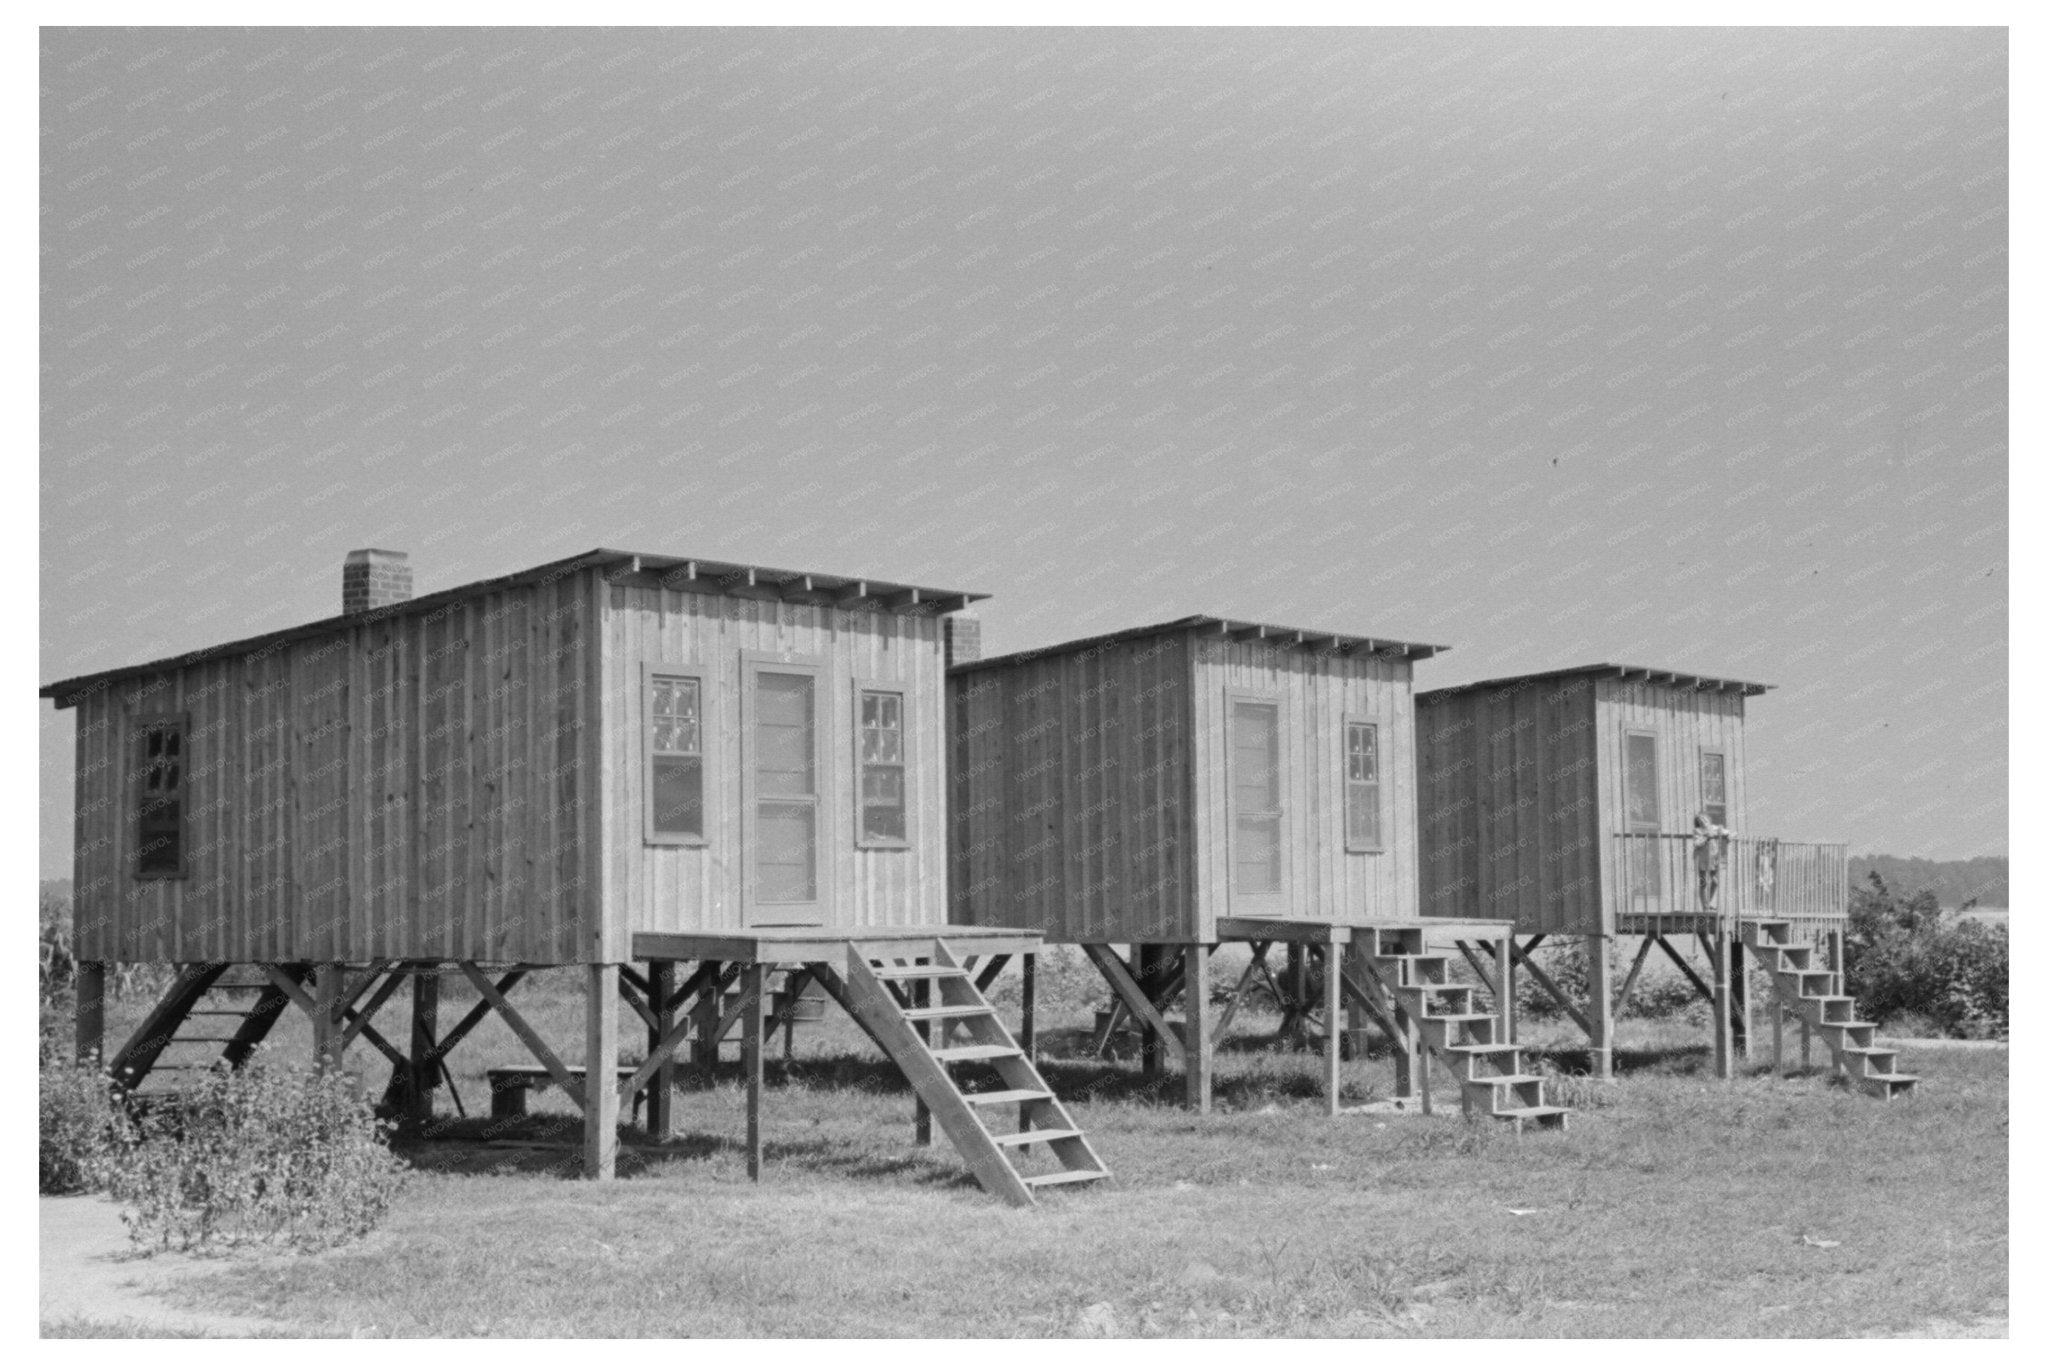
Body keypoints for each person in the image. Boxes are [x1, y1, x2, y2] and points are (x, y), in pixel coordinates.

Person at [1692, 811, 1729, 914]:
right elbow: (1696, 843)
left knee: (1716, 881)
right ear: (1698, 823)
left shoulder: (1714, 828)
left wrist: (1725, 833)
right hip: (1702, 858)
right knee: (1703, 883)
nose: (1703, 821)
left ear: (1708, 819)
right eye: (1700, 820)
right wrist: (1706, 838)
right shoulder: (1697, 831)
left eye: (1704, 819)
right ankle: (1705, 907)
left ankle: (1707, 903)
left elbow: (1726, 832)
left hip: (1713, 858)